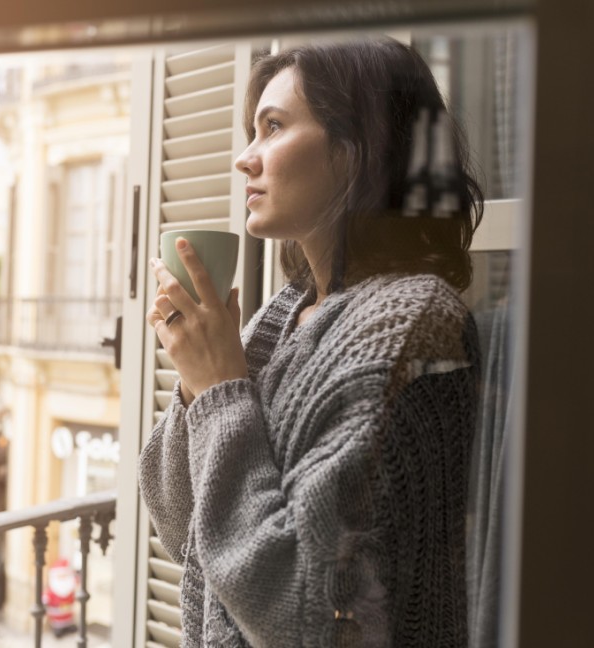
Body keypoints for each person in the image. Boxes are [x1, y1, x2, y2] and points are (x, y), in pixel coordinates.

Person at [139, 38, 484, 647]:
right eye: (252, 130)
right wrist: (199, 384)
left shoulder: (412, 325)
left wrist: (222, 387)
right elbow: (185, 527)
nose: (245, 159)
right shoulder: (283, 316)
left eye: (273, 127)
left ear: (357, 151)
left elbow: (307, 614)